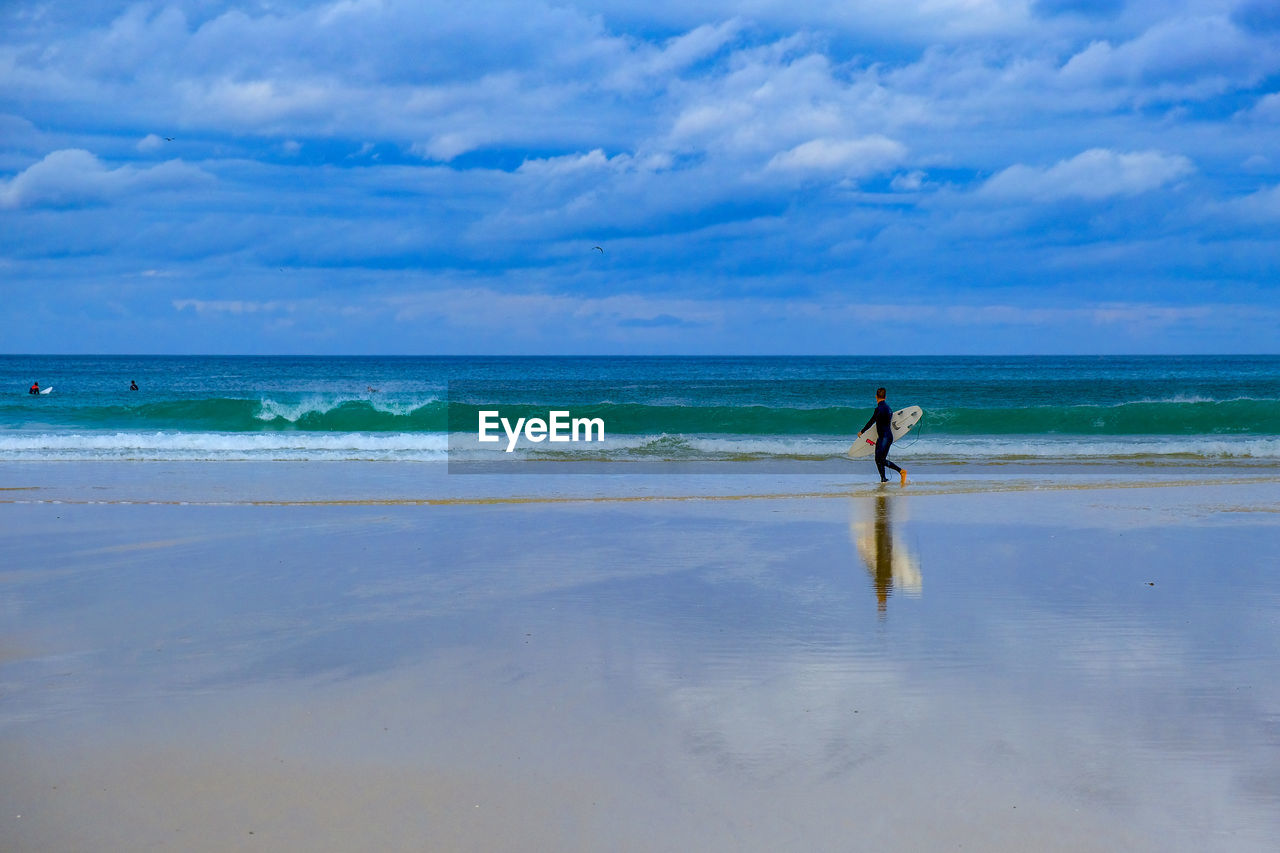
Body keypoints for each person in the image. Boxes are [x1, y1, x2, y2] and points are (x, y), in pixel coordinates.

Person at [859, 387, 907, 485]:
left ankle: (901, 471)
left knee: (881, 459)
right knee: (878, 459)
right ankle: (883, 479)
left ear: (876, 397)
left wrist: (862, 431)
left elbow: (871, 422)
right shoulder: (889, 408)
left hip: (884, 438)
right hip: (885, 437)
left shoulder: (879, 409)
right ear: (885, 397)